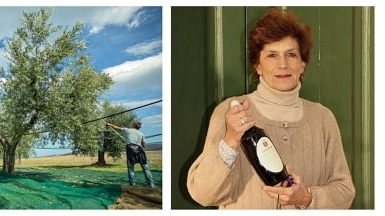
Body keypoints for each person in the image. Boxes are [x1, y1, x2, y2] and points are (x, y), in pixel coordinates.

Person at [186, 8, 355, 209]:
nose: (282, 64)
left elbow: (345, 191)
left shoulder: (323, 118)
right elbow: (203, 194)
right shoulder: (229, 112)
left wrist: (306, 197)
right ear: (257, 66)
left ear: (302, 64)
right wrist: (231, 139)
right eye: (272, 55)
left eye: (291, 54)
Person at [106, 121, 155, 188]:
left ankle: (132, 185)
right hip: (140, 150)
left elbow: (117, 128)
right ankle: (151, 185)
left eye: (132, 123)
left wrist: (109, 124)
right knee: (146, 169)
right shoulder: (141, 134)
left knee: (131, 168)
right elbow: (143, 145)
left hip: (130, 150)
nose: (131, 124)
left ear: (134, 125)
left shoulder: (127, 130)